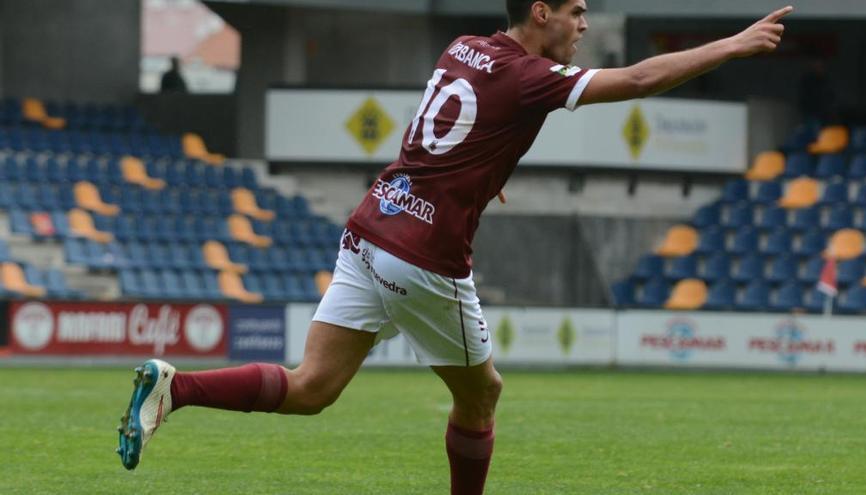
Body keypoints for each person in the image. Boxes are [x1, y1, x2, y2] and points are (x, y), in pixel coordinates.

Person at [117, 2, 792, 493]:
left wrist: (480, 180)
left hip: (370, 229)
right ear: (541, 12)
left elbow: (449, 134)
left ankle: (176, 389)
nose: (584, 25)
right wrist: (731, 44)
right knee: (482, 396)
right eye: (577, 12)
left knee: (312, 386)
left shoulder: (464, 48)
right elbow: (641, 81)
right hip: (421, 257)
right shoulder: (532, 76)